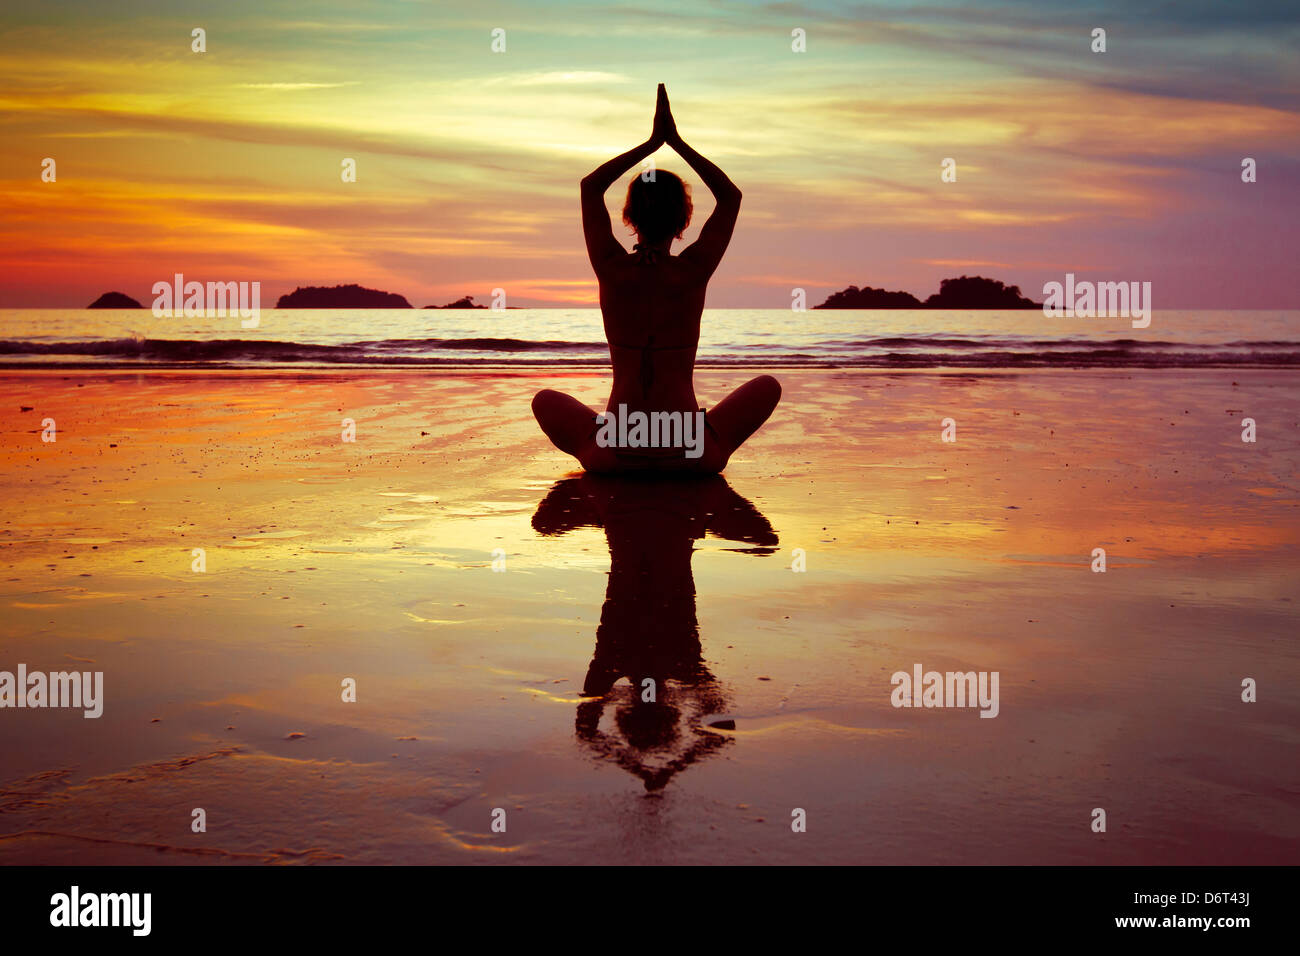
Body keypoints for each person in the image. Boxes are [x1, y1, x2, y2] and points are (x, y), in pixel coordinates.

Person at [532, 84, 781, 474]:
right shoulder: (692, 271)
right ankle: (689, 441)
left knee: (544, 399)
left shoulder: (612, 268)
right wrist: (676, 143)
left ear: (629, 217)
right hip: (690, 457)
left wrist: (650, 144)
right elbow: (730, 197)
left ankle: (606, 442)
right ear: (684, 221)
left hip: (615, 457)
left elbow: (590, 186)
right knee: (768, 385)